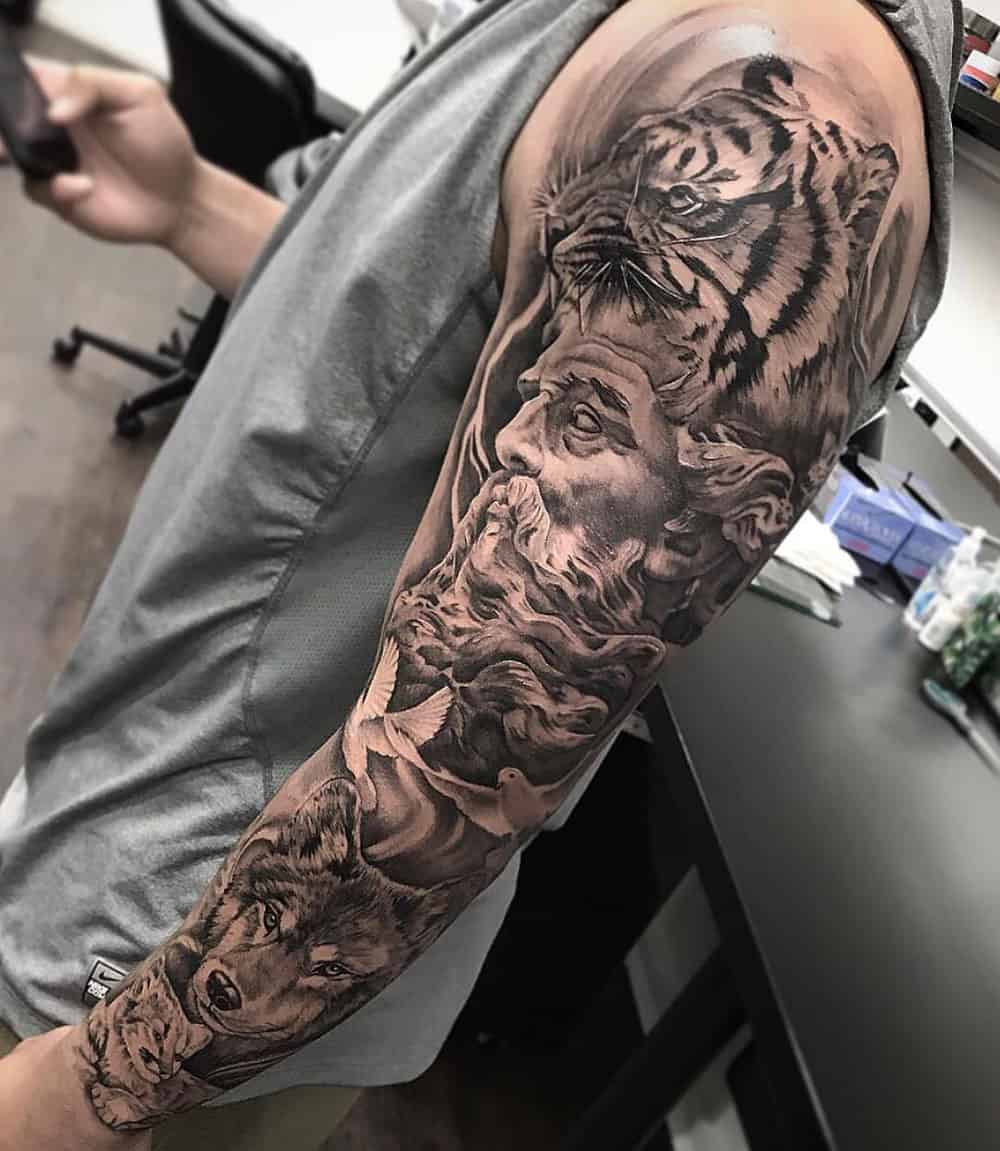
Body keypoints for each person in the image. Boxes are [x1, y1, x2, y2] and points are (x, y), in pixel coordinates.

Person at [0, 0, 960, 1148]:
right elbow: (426, 350)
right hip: (120, 793)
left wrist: (96, 1089)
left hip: (165, 954)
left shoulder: (774, 80)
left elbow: (467, 745)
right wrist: (192, 202)